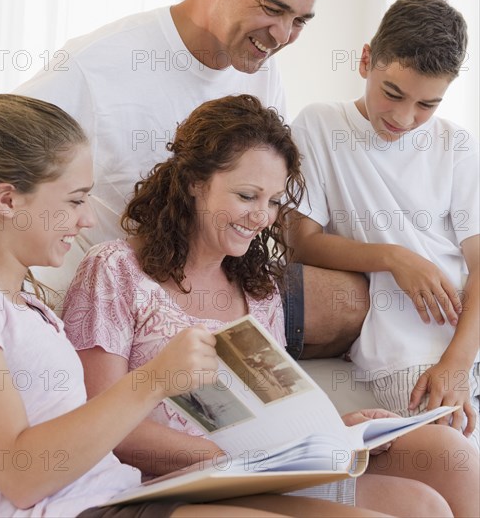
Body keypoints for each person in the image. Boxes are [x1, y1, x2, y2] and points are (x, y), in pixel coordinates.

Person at [0, 94, 390, 518]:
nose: (88, 219)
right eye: (74, 200)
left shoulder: (28, 305)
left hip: (114, 496)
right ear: (8, 200)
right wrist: (154, 380)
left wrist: (321, 435)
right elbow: (20, 474)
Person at [62, 94, 478, 518]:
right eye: (247, 195)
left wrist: (336, 431)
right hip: (182, 481)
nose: (262, 217)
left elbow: (275, 417)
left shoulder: (259, 290)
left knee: (442, 457)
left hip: (264, 470)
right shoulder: (115, 271)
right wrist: (229, 457)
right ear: (194, 182)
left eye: (275, 200)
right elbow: (106, 426)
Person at [16, 0, 368, 359]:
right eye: (273, 8)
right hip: (137, 284)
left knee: (357, 301)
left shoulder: (262, 72)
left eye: (299, 20)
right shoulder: (97, 66)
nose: (283, 36)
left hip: (220, 273)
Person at [289, 0, 480, 449]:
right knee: (457, 460)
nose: (404, 117)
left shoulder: (456, 145)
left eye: (427, 104)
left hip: (464, 340)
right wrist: (393, 258)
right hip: (409, 352)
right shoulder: (319, 125)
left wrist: (458, 360)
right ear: (366, 59)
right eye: (392, 92)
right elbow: (301, 243)